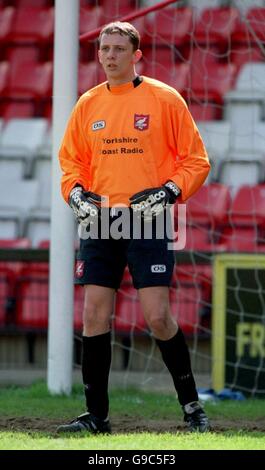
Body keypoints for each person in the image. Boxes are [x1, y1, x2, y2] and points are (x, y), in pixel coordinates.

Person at [57, 21, 211, 434]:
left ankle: (193, 407)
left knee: (158, 317)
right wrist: (74, 193)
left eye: (118, 49)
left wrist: (169, 191)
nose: (109, 56)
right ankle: (97, 418)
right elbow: (71, 163)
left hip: (149, 219)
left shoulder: (164, 98)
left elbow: (196, 160)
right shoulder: (88, 104)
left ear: (136, 54)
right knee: (93, 316)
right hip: (102, 220)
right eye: (104, 49)